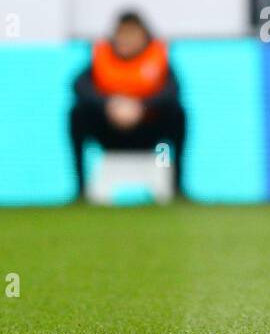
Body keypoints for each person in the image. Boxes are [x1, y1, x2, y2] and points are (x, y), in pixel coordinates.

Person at [69, 11, 187, 198]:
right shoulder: (102, 58)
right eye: (122, 33)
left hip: (149, 133)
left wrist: (140, 107)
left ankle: (177, 186)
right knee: (76, 113)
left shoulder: (157, 58)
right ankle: (81, 188)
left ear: (144, 36)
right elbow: (79, 86)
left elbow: (172, 92)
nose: (126, 39)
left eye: (132, 34)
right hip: (110, 131)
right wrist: (110, 104)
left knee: (178, 113)